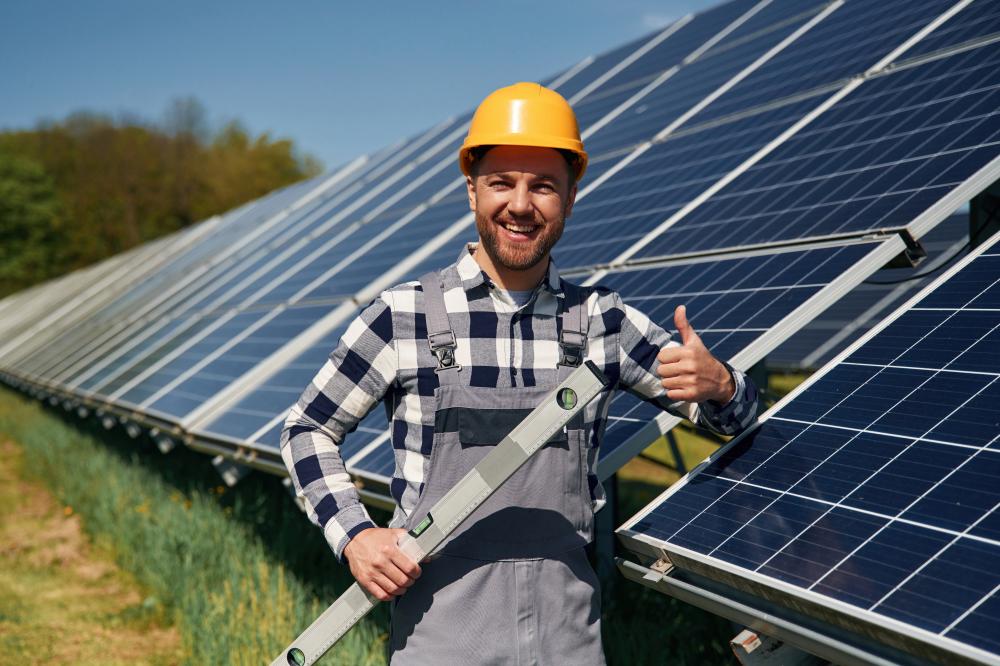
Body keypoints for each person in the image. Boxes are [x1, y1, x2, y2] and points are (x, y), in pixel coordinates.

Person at [281, 82, 758, 664]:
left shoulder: (602, 322)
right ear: (472, 189)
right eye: (502, 183)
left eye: (544, 186)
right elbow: (306, 429)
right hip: (438, 635)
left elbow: (732, 418)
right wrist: (354, 535)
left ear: (571, 197)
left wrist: (722, 385)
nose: (521, 204)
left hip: (568, 637)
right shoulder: (403, 315)